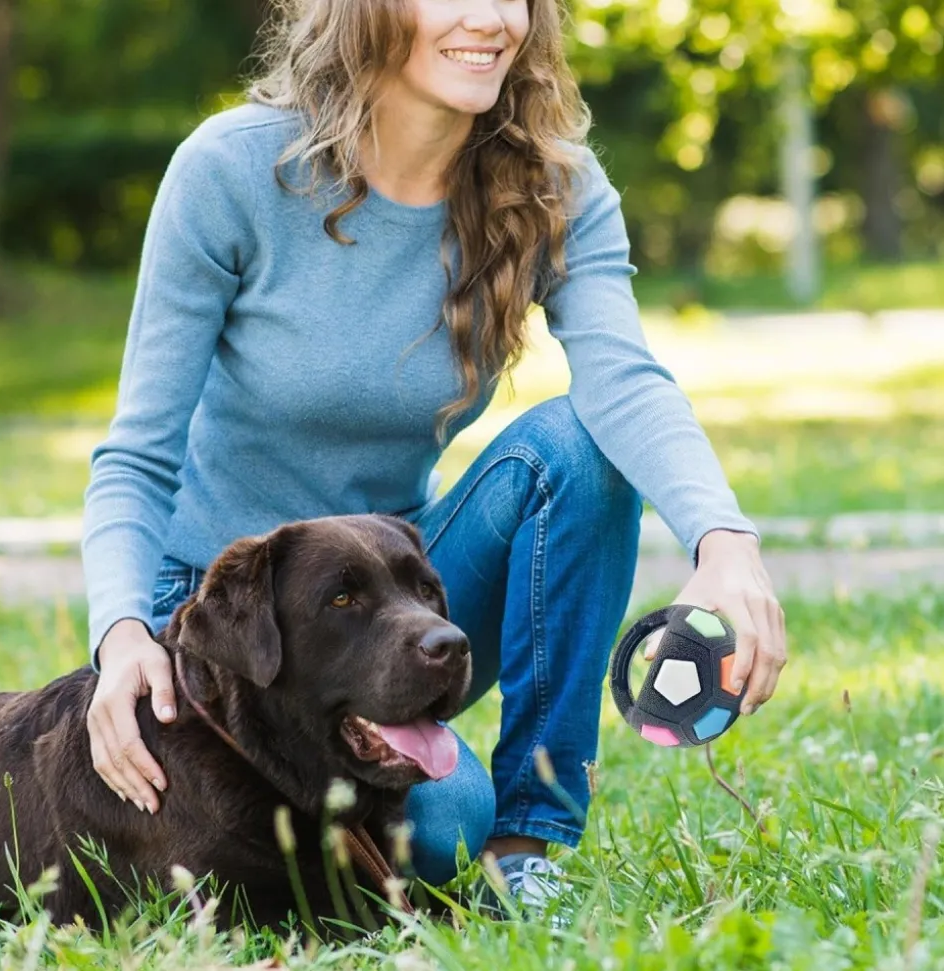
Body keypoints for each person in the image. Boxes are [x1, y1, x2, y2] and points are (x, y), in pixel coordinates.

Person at [83, 0, 787, 917]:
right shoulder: (231, 171)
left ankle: (532, 843)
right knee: (439, 827)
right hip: (223, 620)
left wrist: (725, 542)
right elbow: (135, 455)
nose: (493, 19)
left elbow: (626, 381)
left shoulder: (555, 188)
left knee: (582, 444)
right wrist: (122, 633)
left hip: (394, 592)